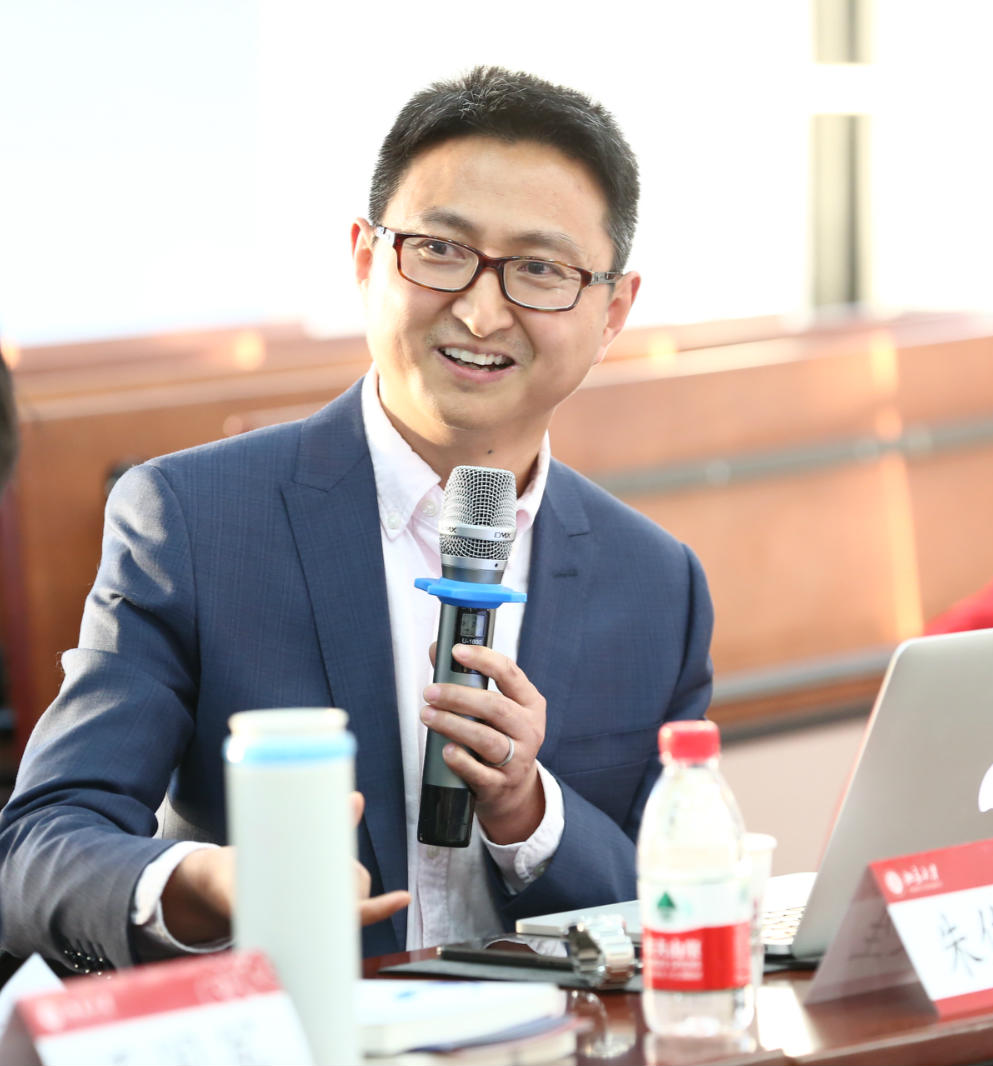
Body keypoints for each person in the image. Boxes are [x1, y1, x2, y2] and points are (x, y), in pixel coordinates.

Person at [0, 66, 713, 971]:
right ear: (368, 261)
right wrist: (212, 883)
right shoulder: (193, 521)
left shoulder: (657, 583)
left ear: (613, 310)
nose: (481, 311)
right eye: (441, 250)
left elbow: (679, 899)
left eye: (539, 269)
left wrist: (532, 814)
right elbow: (39, 848)